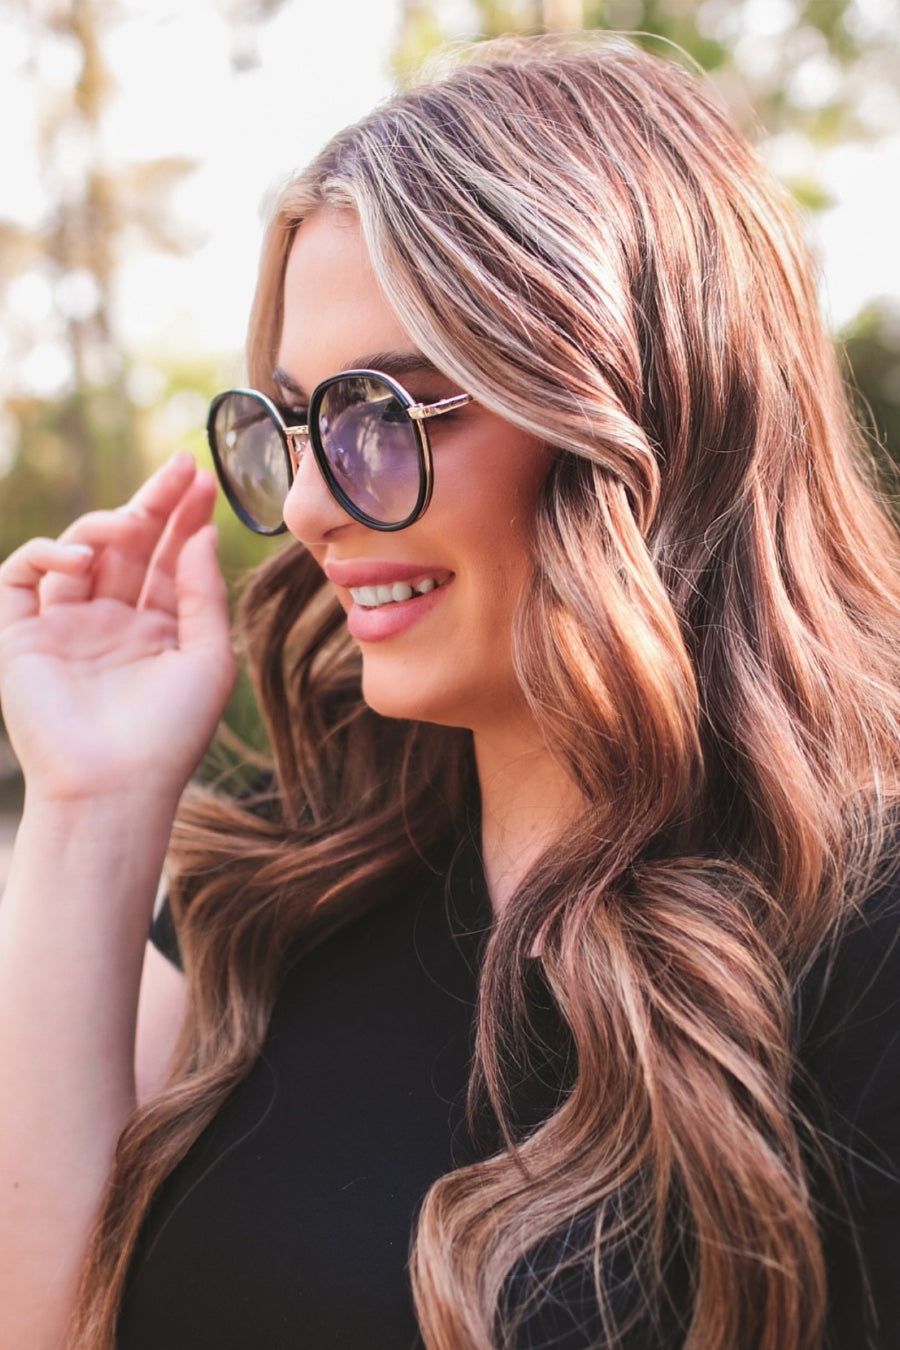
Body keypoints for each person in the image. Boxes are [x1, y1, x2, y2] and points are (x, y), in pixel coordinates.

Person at [1, 31, 899, 1350]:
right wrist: (91, 797)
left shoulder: (861, 941)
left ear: (633, 417)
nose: (307, 507)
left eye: (382, 413)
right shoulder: (277, 909)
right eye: (298, 423)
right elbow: (37, 1315)